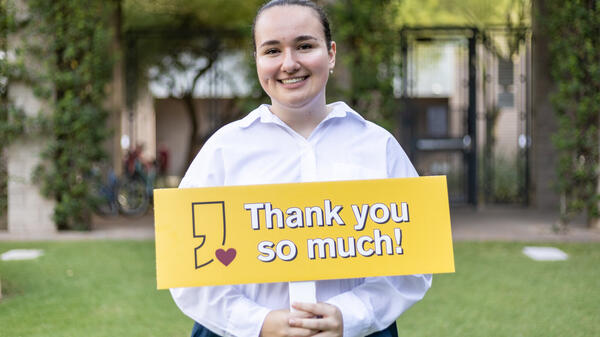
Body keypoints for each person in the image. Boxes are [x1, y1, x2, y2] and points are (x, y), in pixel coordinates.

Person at [170, 1, 432, 336]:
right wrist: (258, 323)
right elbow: (188, 270)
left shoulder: (378, 147)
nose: (289, 63)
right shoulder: (224, 151)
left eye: (305, 46)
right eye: (272, 50)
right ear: (257, 61)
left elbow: (414, 263)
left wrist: (349, 316)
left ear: (331, 53)